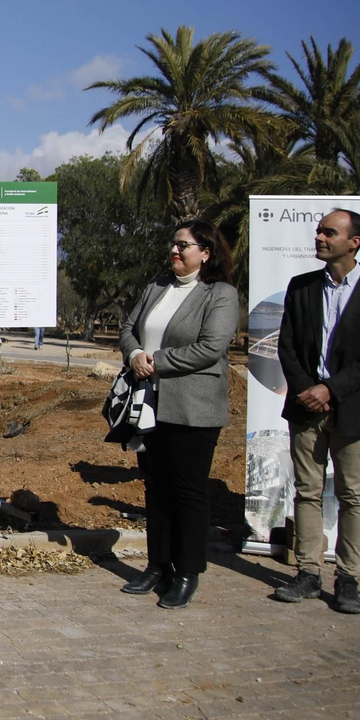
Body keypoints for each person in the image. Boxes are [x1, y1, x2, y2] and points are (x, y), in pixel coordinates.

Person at [271, 208, 360, 614]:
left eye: (329, 232)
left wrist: (331, 388)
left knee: (351, 496)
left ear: (354, 241)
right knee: (307, 493)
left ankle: (348, 578)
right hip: (306, 408)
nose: (319, 238)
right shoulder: (301, 287)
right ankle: (308, 573)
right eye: (319, 231)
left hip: (353, 409)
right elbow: (287, 346)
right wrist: (308, 390)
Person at [117, 219, 239, 609]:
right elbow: (127, 327)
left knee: (187, 490)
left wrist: (157, 362)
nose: (175, 250)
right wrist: (135, 354)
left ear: (205, 253)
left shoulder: (219, 294)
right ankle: (158, 566)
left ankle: (187, 572)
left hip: (192, 407)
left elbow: (211, 347)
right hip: (148, 403)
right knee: (155, 487)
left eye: (183, 245)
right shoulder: (156, 286)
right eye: (173, 243)